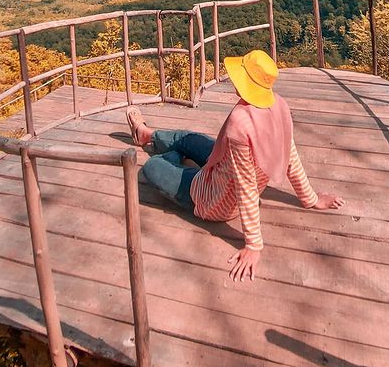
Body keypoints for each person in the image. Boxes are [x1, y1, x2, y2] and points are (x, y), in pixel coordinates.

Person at [126, 48, 345, 282]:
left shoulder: (240, 124)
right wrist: (310, 199)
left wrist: (253, 245)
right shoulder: (278, 106)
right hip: (221, 167)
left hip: (211, 200)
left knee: (152, 168)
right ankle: (147, 135)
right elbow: (290, 155)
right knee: (190, 139)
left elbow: (246, 184)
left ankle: (172, 155)